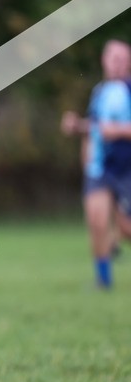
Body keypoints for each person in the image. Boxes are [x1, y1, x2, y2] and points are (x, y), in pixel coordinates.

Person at [61, 39, 131, 288]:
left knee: (126, 229)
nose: (117, 63)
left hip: (126, 167)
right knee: (97, 222)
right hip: (99, 168)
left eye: (122, 58)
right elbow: (95, 127)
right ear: (104, 60)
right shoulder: (100, 91)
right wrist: (77, 126)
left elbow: (111, 129)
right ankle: (103, 280)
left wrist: (120, 130)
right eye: (113, 58)